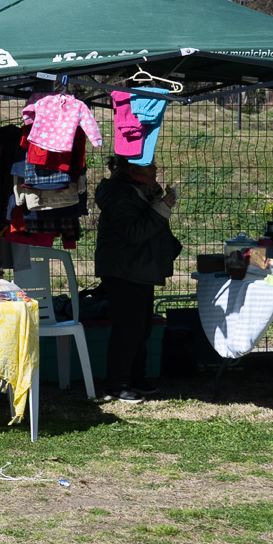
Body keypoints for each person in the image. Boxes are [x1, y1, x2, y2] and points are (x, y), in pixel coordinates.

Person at [92, 157, 182, 404]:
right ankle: (117, 385)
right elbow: (134, 233)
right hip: (124, 270)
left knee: (141, 327)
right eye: (149, 165)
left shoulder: (139, 191)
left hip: (139, 268)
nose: (155, 168)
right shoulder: (120, 195)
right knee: (128, 328)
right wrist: (161, 208)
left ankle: (135, 378)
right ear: (132, 170)